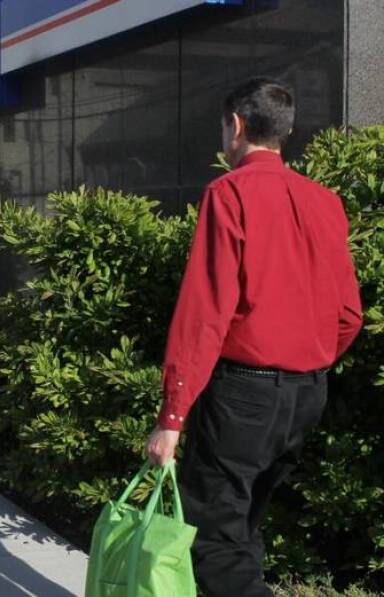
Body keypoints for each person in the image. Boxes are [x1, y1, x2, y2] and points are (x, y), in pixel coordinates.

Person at [144, 78, 363, 596]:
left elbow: (205, 313)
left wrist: (172, 417)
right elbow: (349, 314)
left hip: (244, 394)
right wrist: (306, 360)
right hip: (306, 393)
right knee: (241, 528)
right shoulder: (324, 201)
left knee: (215, 540)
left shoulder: (229, 193)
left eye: (224, 126)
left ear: (236, 126)